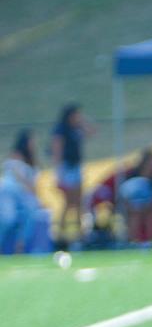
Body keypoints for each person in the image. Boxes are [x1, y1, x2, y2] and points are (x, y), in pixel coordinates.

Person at [48, 103, 92, 243]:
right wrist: (59, 173)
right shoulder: (61, 130)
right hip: (66, 168)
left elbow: (91, 132)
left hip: (76, 167)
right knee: (68, 202)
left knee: (79, 201)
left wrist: (83, 122)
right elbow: (57, 151)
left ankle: (80, 234)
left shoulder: (76, 128)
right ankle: (59, 234)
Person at [0, 130, 45, 256]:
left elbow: (33, 184)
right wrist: (27, 186)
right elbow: (17, 175)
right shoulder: (16, 155)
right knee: (8, 218)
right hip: (9, 192)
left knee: (31, 213)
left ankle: (19, 247)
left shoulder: (33, 161)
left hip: (24, 195)